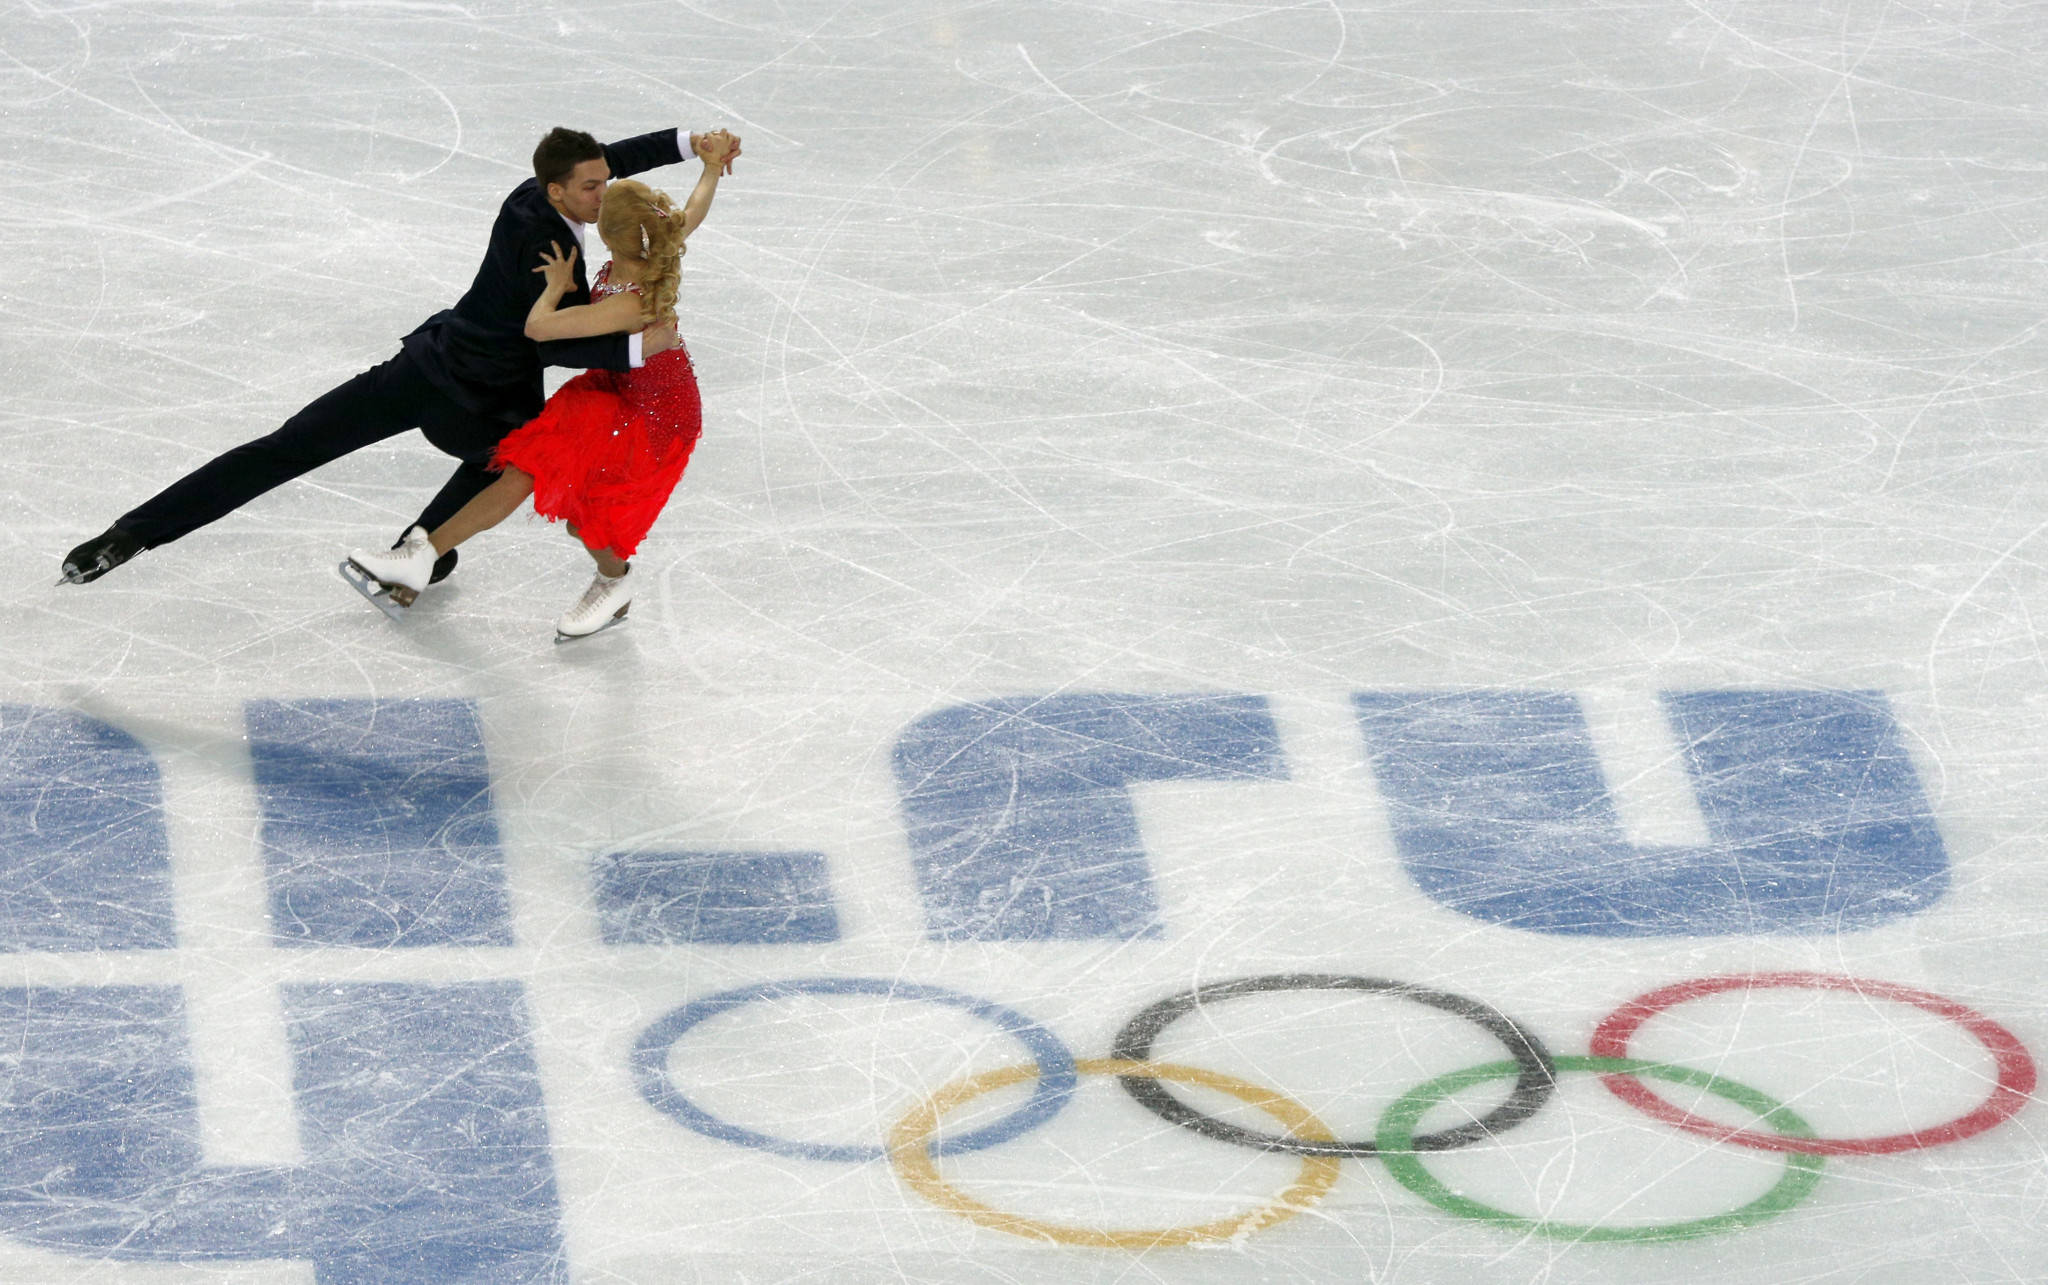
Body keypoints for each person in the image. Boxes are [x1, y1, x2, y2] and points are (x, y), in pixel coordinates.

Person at [59, 124, 739, 595]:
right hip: (440, 376)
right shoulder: (540, 238)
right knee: (287, 447)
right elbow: (551, 338)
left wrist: (688, 144)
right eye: (591, 186)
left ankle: (420, 555)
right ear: (556, 190)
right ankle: (129, 535)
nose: (604, 190)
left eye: (603, 181)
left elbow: (608, 157)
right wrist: (638, 347)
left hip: (489, 400)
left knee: (506, 467)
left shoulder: (543, 188)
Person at [343, 133, 733, 640]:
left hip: (656, 416)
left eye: (602, 197)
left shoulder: (631, 301)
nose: (595, 198)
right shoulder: (658, 241)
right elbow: (693, 209)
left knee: (587, 521)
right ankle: (420, 557)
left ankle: (614, 582)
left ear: (613, 237)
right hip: (611, 390)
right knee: (523, 466)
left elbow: (539, 331)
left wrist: (552, 290)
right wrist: (709, 165)